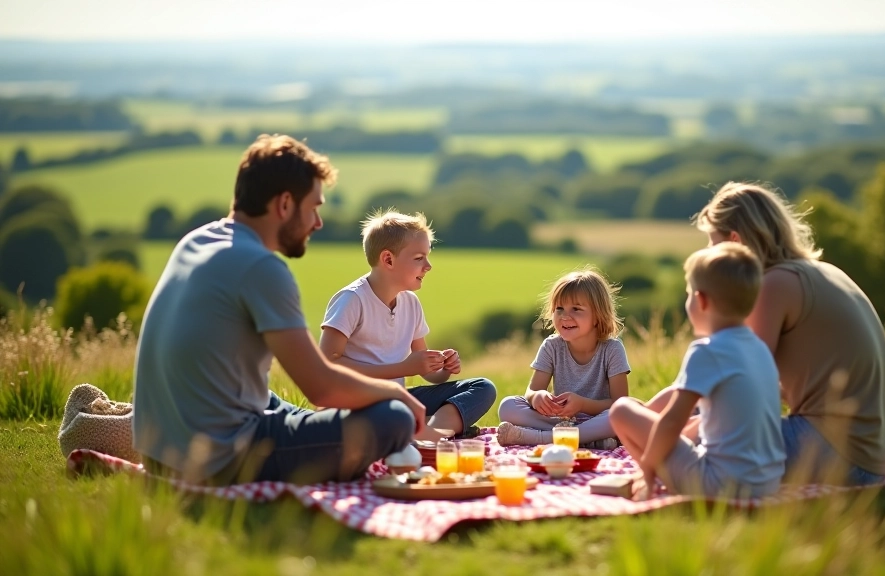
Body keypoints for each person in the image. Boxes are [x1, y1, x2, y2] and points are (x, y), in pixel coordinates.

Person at [132, 134, 426, 486]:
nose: (318, 222)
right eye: (314, 207)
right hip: (217, 459)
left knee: (273, 401)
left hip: (158, 451)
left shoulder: (196, 241)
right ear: (285, 204)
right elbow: (321, 387)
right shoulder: (261, 267)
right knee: (393, 418)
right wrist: (395, 392)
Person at [694, 182, 885, 485]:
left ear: (735, 241)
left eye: (713, 243)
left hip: (840, 456)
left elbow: (742, 384)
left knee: (688, 445)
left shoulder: (774, 285)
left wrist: (680, 426)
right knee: (695, 426)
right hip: (870, 456)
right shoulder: (821, 271)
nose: (709, 253)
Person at [609, 243, 785, 498]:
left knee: (622, 410)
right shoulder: (759, 348)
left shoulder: (707, 350)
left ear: (701, 300)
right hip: (767, 483)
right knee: (697, 423)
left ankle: (650, 477)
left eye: (689, 294)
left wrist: (647, 465)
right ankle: (659, 472)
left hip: (720, 486)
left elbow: (672, 421)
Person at [319, 210, 496, 442]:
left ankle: (427, 435)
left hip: (397, 401)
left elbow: (427, 373)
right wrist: (402, 368)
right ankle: (424, 432)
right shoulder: (352, 299)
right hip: (356, 403)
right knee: (385, 414)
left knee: (483, 388)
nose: (428, 266)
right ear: (388, 260)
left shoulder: (411, 303)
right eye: (419, 258)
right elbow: (327, 364)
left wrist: (443, 368)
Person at [496, 268, 629, 450]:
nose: (565, 316)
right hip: (558, 420)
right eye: (559, 308)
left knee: (621, 414)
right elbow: (532, 390)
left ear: (598, 316)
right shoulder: (551, 346)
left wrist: (582, 404)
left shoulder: (612, 349)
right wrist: (537, 397)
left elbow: (620, 403)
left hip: (597, 419)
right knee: (508, 406)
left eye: (576, 309)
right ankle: (588, 440)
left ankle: (542, 438)